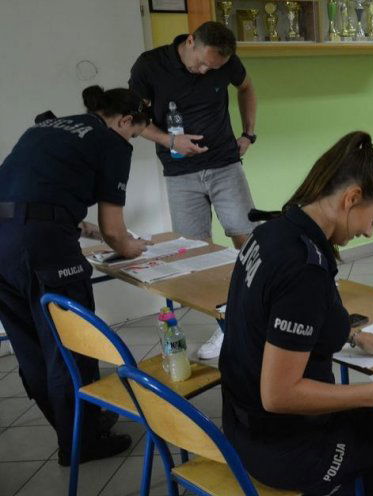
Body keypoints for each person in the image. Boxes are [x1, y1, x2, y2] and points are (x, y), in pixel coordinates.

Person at [219, 132, 373, 495]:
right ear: (352, 198)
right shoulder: (304, 271)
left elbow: (289, 320)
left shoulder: (273, 231)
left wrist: (357, 336)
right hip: (281, 447)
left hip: (240, 424)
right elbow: (279, 395)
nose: (369, 232)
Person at [0, 86, 151, 465]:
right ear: (125, 120)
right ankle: (82, 444)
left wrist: (82, 227)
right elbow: (116, 232)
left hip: (4, 243)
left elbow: (35, 195)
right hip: (42, 249)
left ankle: (77, 425)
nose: (130, 139)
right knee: (71, 348)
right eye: (133, 132)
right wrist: (130, 246)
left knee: (31, 349)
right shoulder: (112, 143)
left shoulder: (47, 127)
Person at [129, 21, 258, 359]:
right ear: (190, 41)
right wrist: (170, 140)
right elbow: (135, 120)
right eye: (202, 64)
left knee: (247, 241)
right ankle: (226, 330)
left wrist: (248, 134)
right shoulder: (149, 65)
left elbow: (246, 87)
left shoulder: (226, 62)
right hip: (179, 173)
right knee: (197, 258)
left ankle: (258, 318)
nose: (205, 71)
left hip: (225, 165)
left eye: (212, 69)